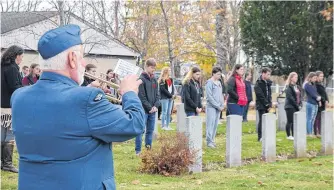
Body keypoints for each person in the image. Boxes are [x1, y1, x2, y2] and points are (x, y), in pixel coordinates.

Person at [11, 24, 145, 189]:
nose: (84, 62)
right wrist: (129, 93)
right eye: (81, 57)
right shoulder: (86, 100)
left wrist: (83, 94)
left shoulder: (19, 97)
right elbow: (134, 123)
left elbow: (61, 118)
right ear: (72, 59)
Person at [1, 45, 24, 173]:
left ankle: (2, 162)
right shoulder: (12, 68)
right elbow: (15, 87)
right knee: (9, 134)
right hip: (9, 105)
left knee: (2, 133)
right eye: (21, 56)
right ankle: (8, 163)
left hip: (1, 104)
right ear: (16, 55)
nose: (21, 59)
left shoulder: (2, 66)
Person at [136, 58, 160, 155]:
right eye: (151, 67)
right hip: (144, 110)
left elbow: (158, 95)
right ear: (146, 67)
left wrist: (155, 106)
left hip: (153, 111)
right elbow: (142, 96)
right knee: (140, 131)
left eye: (154, 68)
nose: (153, 69)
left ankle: (148, 150)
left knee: (150, 131)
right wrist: (149, 108)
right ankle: (138, 151)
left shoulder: (154, 79)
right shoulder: (141, 79)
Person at [205, 67, 224, 148]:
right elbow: (209, 96)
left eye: (220, 74)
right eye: (218, 74)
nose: (219, 76)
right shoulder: (209, 83)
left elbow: (221, 94)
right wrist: (217, 105)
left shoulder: (219, 82)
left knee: (215, 124)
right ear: (213, 74)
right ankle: (209, 141)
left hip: (218, 107)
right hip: (211, 107)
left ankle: (212, 140)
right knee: (210, 124)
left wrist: (222, 104)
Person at [254, 67, 272, 142]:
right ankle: (260, 137)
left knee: (266, 120)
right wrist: (266, 104)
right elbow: (260, 95)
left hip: (267, 104)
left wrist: (269, 103)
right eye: (268, 74)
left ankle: (265, 135)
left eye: (269, 74)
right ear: (263, 73)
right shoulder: (258, 83)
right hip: (261, 105)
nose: (269, 76)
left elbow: (269, 94)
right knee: (261, 120)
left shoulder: (268, 82)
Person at [284, 72, 302, 140]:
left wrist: (300, 104)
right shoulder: (288, 87)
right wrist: (296, 105)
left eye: (297, 77)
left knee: (294, 121)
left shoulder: (297, 87)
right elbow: (290, 97)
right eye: (295, 77)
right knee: (290, 121)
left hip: (296, 106)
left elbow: (299, 96)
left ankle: (294, 135)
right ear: (291, 78)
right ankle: (288, 135)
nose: (296, 78)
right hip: (290, 106)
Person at [303, 72, 321, 137]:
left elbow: (316, 93)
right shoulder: (307, 85)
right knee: (309, 119)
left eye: (316, 78)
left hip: (315, 103)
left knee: (313, 119)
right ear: (310, 78)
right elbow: (312, 93)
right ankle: (309, 133)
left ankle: (311, 132)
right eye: (314, 78)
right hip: (310, 104)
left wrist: (319, 98)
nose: (315, 79)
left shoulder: (313, 84)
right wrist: (317, 97)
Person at [314, 71, 329, 137]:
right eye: (320, 76)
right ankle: (316, 132)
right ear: (316, 77)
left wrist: (327, 100)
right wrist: (323, 100)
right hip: (318, 103)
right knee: (317, 118)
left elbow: (325, 93)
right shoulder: (315, 85)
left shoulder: (321, 84)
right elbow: (317, 94)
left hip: (323, 104)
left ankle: (320, 132)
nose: (322, 77)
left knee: (321, 118)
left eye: (322, 76)